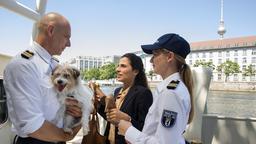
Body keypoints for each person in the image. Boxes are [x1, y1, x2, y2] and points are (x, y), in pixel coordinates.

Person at [4, 12, 82, 144]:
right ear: (51, 30)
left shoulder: (55, 65)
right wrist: (67, 137)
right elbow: (31, 126)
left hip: (55, 137)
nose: (69, 44)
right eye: (66, 37)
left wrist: (76, 109)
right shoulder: (23, 65)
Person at [118, 33, 194, 144]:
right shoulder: (171, 88)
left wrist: (129, 131)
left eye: (155, 54)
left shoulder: (170, 93)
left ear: (169, 57)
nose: (151, 60)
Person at [91, 53, 153, 144]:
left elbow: (145, 129)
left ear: (135, 71)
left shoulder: (143, 93)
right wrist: (98, 105)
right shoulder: (117, 91)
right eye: (118, 66)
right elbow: (112, 119)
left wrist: (128, 119)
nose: (117, 69)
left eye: (123, 66)